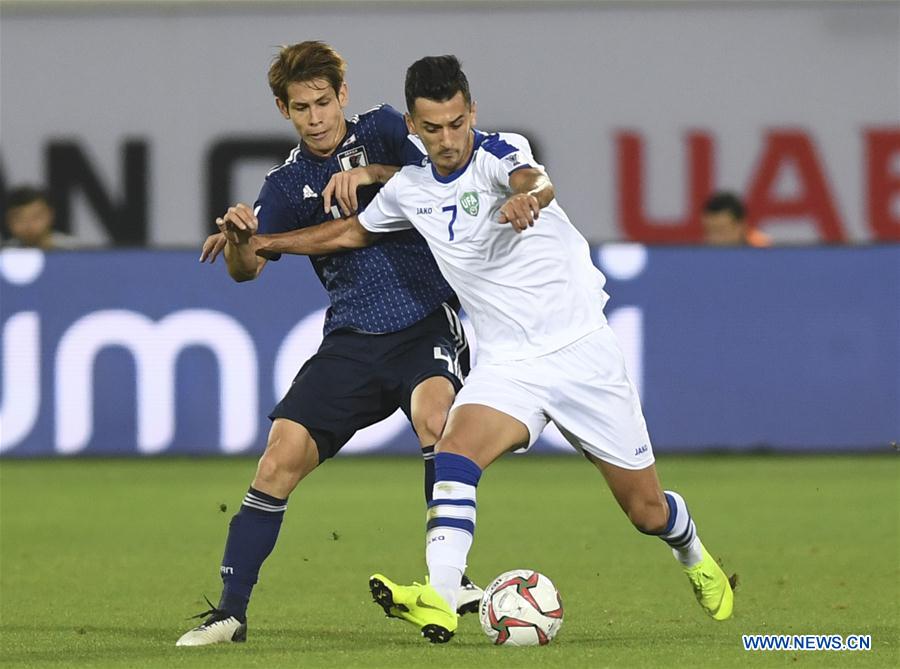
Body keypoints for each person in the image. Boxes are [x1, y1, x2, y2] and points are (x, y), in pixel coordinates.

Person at [238, 55, 736, 644]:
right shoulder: (411, 189)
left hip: (580, 354)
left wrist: (531, 198)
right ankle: (443, 595)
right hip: (508, 364)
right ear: (412, 127)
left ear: (471, 111)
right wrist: (262, 239)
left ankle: (693, 551)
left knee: (647, 512)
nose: (448, 140)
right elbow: (350, 233)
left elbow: (536, 181)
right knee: (453, 452)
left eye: (456, 123)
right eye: (433, 128)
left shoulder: (502, 154)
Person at [176, 42, 482, 647]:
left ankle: (450, 582)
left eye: (323, 102)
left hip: (425, 320)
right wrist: (242, 238)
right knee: (277, 458)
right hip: (352, 338)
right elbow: (246, 270)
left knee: (435, 419)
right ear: (283, 111)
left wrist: (371, 174)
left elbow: (447, 174)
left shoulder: (387, 130)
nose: (315, 117)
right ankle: (231, 613)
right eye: (300, 108)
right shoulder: (287, 183)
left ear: (342, 95)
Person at [2, 186, 79, 249]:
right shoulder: (4, 254)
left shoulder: (76, 250)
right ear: (8, 221)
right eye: (19, 219)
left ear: (50, 215)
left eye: (36, 217)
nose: (29, 225)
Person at [701, 191, 770, 247]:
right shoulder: (700, 256)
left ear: (741, 226)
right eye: (708, 230)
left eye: (720, 230)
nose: (713, 239)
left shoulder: (764, 252)